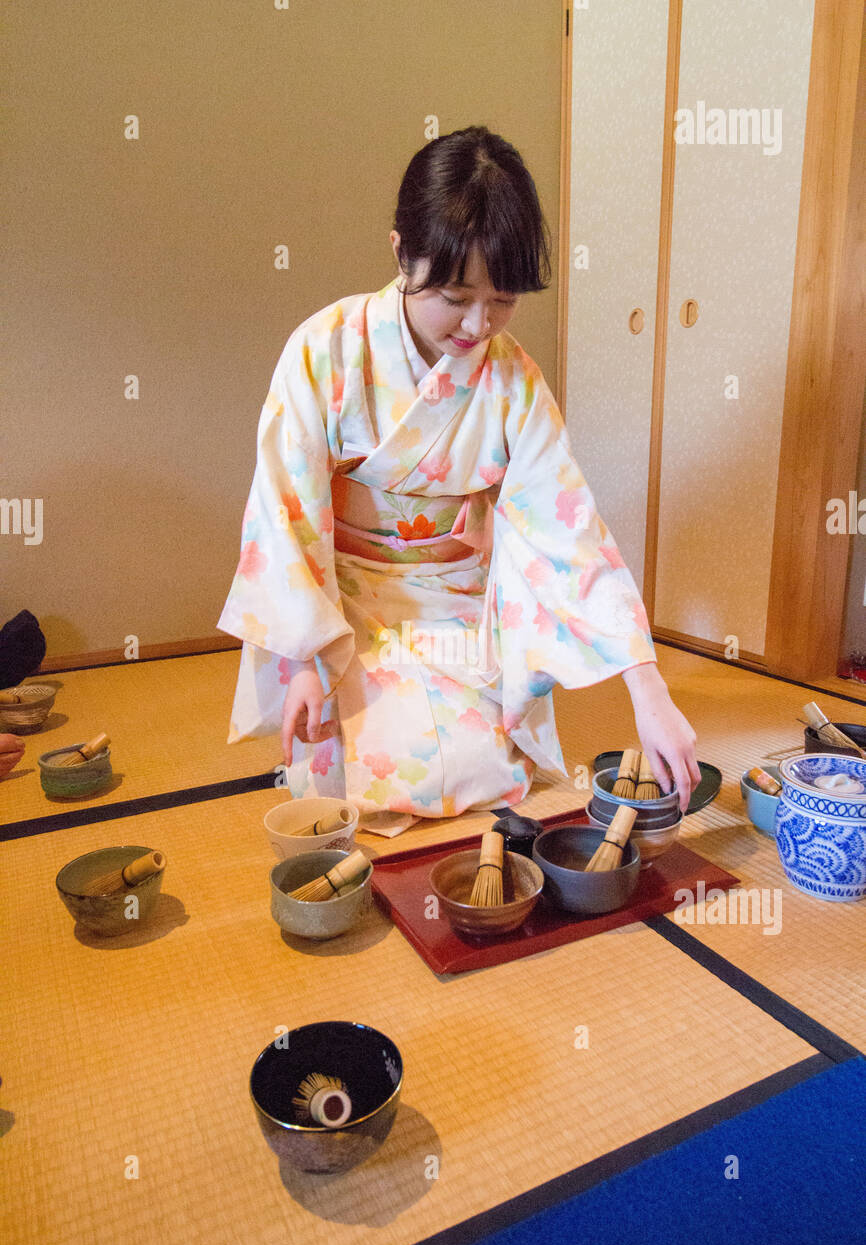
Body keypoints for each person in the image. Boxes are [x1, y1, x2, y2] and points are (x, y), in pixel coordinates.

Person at [218, 126, 699, 831]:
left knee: (484, 772)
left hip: (458, 603)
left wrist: (647, 686)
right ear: (401, 253)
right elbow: (285, 511)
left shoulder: (513, 379)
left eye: (502, 300)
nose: (480, 325)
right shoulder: (324, 350)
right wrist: (301, 660)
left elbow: (565, 528)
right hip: (345, 604)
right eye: (454, 295)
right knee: (349, 777)